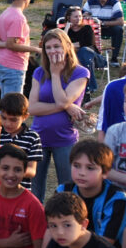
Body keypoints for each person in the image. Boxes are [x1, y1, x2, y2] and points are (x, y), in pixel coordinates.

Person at [28, 29, 89, 200]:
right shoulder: (39, 73)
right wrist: (67, 107)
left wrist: (55, 75)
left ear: (67, 46)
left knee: (68, 188)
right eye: (48, 48)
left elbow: (63, 100)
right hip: (38, 136)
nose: (53, 51)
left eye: (57, 46)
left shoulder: (80, 72)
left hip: (65, 138)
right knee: (35, 188)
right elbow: (32, 108)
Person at [0, 0, 38, 97]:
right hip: (14, 64)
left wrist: (7, 44)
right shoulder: (18, 18)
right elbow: (12, 44)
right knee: (13, 105)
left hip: (2, 61)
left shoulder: (5, 13)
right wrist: (36, 49)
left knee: (6, 100)